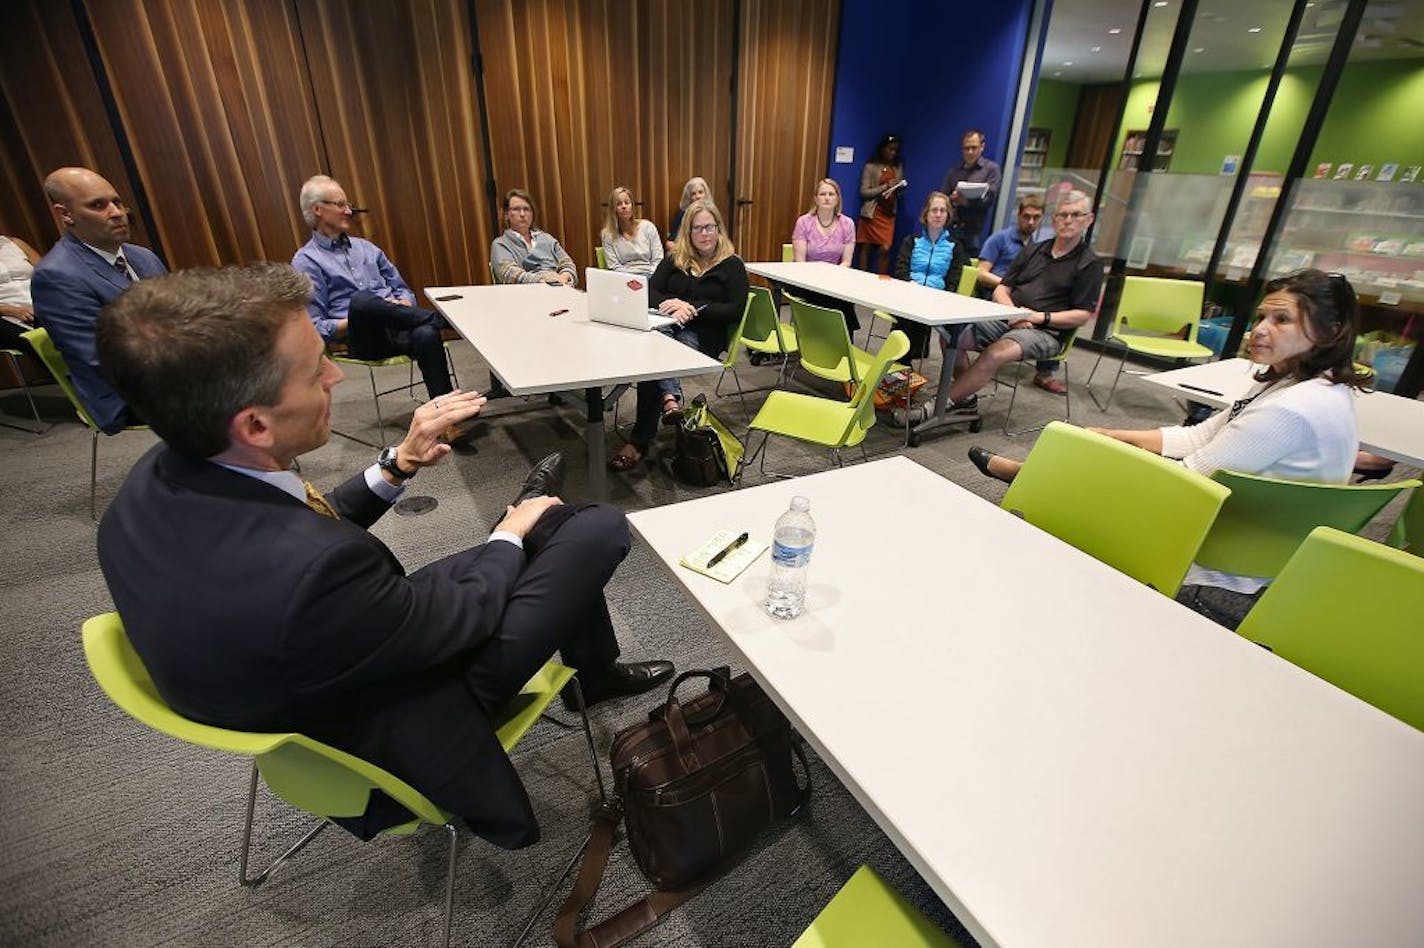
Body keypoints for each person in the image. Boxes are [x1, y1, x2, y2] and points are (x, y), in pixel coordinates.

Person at [93, 262, 675, 848]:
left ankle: (571, 617)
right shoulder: (314, 573)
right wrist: (509, 535)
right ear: (255, 425)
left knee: (552, 528)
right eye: (314, 368)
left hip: (328, 658)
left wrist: (396, 464)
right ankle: (530, 535)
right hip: (395, 711)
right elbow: (451, 614)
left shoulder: (148, 490)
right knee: (594, 527)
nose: (335, 377)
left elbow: (293, 530)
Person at [968, 269, 1367, 627]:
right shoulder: (1302, 383)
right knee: (1096, 449)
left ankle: (1036, 487)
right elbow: (1198, 435)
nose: (1260, 329)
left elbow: (1190, 478)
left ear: (1329, 331)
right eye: (1262, 316)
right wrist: (1112, 435)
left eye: (1281, 320)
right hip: (1258, 525)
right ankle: (1039, 477)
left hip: (1231, 538)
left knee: (1076, 489)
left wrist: (1100, 458)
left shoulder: (1292, 408)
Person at [291, 174, 457, 407]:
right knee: (361, 302)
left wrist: (401, 305)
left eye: (347, 205)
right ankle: (443, 320)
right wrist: (367, 313)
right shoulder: (306, 261)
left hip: (397, 327)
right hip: (363, 339)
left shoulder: (368, 249)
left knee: (426, 334)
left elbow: (404, 291)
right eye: (340, 205)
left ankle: (447, 415)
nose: (348, 211)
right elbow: (315, 326)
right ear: (317, 209)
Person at [609, 200, 749, 471]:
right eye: (697, 228)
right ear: (688, 232)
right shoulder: (675, 259)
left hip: (705, 336)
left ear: (718, 228)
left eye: (709, 227)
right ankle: (670, 401)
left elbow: (735, 308)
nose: (705, 233)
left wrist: (692, 308)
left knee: (655, 357)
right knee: (658, 352)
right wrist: (673, 303)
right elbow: (648, 290)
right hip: (666, 328)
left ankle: (641, 439)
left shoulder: (732, 265)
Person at [31, 167, 167, 433]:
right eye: (98, 205)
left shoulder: (143, 257)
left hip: (172, 370)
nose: (117, 213)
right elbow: (101, 360)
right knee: (243, 391)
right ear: (65, 214)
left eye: (116, 202)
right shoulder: (56, 276)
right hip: (124, 393)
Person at [941, 190, 1102, 413]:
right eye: (1062, 214)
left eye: (1075, 215)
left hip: (1046, 331)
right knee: (949, 333)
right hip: (1011, 316)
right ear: (1054, 219)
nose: (1068, 220)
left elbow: (1083, 315)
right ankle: (963, 397)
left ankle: (937, 406)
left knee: (995, 353)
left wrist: (1036, 317)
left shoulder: (1089, 263)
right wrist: (1015, 314)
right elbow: (1002, 288)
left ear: (1088, 219)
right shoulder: (1033, 250)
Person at [976, 194, 1064, 395]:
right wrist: (1008, 284)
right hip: (997, 294)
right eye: (1027, 216)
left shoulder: (1038, 247)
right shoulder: (1000, 239)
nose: (1031, 222)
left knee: (1047, 308)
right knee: (1025, 310)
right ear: (1018, 215)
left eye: (1036, 217)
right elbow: (981, 273)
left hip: (1021, 297)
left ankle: (1044, 373)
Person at [891, 191, 969, 361]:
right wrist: (910, 285)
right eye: (934, 210)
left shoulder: (954, 246)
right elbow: (900, 271)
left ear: (948, 215)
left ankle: (902, 361)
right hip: (908, 294)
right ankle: (901, 360)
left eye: (943, 210)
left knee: (916, 319)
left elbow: (953, 280)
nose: (938, 215)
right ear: (926, 213)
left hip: (936, 299)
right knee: (907, 315)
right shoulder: (911, 241)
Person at [791, 178, 860, 333]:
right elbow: (800, 262)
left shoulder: (847, 224)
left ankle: (841, 342)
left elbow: (847, 262)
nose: (827, 197)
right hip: (806, 279)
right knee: (832, 299)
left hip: (834, 279)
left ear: (837, 199)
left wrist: (830, 279)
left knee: (843, 297)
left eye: (831, 194)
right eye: (823, 194)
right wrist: (818, 280)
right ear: (816, 198)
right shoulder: (804, 222)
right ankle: (824, 338)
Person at [490, 189, 577, 286]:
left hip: (561, 289)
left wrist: (564, 277)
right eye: (516, 209)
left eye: (526, 209)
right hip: (525, 296)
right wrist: (544, 280)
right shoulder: (500, 244)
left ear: (532, 213)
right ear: (506, 215)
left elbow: (567, 263)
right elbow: (510, 274)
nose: (522, 214)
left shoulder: (547, 239)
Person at [941, 129, 1002, 257]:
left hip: (972, 230)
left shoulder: (991, 170)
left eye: (974, 148)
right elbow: (943, 198)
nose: (970, 152)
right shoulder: (954, 172)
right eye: (966, 148)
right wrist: (951, 199)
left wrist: (967, 202)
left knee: (966, 268)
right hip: (951, 228)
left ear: (982, 147)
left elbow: (989, 199)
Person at [855, 135, 905, 274]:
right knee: (866, 247)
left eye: (895, 150)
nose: (893, 153)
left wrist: (900, 187)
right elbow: (864, 192)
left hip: (888, 213)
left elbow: (898, 192)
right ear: (882, 148)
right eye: (890, 149)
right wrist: (884, 187)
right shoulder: (870, 167)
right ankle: (861, 278)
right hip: (872, 212)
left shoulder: (898, 167)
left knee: (885, 248)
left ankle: (882, 279)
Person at [601, 186, 664, 276]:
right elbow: (614, 266)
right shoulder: (608, 235)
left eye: (627, 203)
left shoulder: (648, 227)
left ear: (632, 206)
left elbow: (658, 259)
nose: (624, 206)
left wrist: (649, 275)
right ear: (613, 209)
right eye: (619, 204)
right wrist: (633, 277)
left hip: (651, 275)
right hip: (624, 278)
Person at [0, 234, 41, 352]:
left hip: (41, 302)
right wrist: (11, 310)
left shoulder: (16, 243)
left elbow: (47, 274)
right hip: (8, 313)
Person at [667, 176, 709, 249]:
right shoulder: (681, 213)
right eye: (693, 194)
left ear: (706, 194)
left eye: (700, 192)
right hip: (684, 252)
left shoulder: (713, 213)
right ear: (689, 197)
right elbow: (670, 242)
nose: (697, 196)